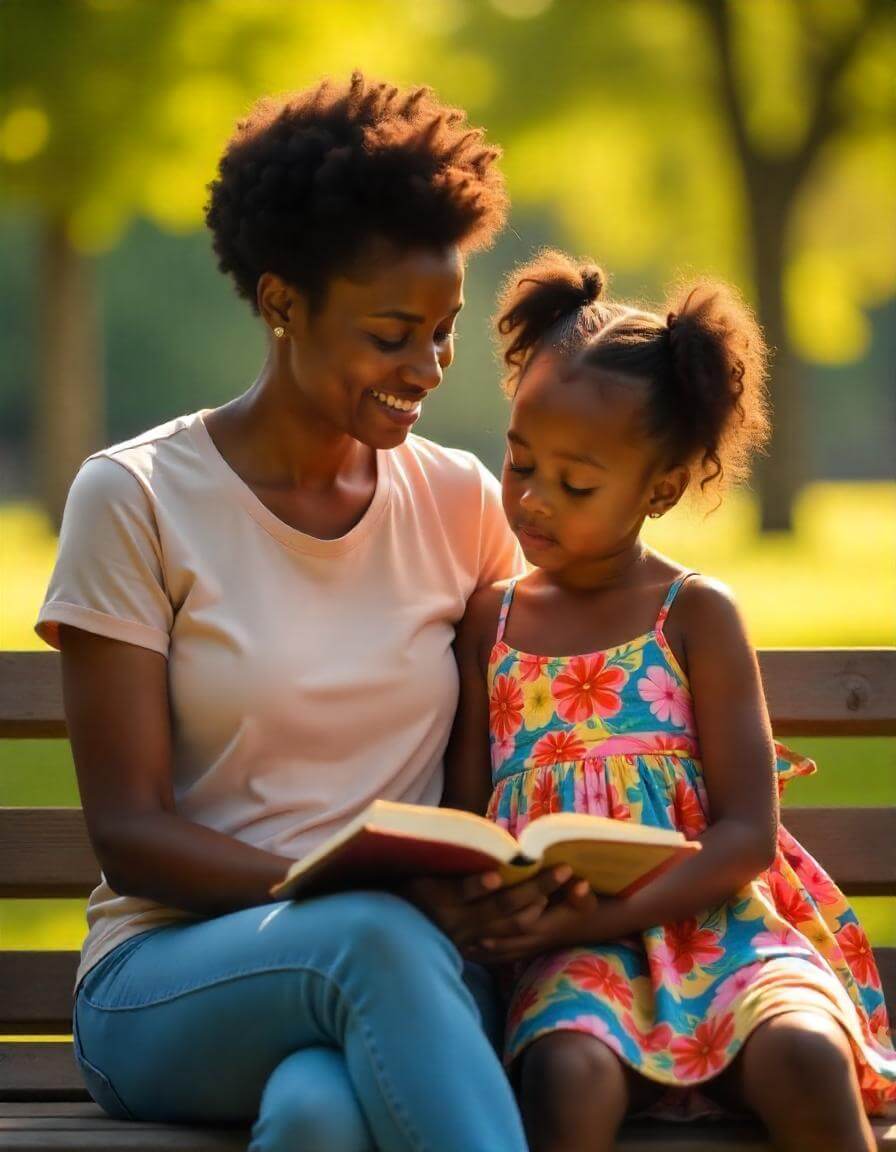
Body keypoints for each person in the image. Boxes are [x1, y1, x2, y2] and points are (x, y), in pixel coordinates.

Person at [34, 73, 554, 1152]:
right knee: (365, 939)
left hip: (405, 973)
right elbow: (131, 838)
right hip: (172, 975)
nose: (428, 368)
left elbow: (539, 707)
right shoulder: (136, 499)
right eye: (390, 333)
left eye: (444, 331)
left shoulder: (457, 501)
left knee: (318, 1118)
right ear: (280, 304)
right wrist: (379, 897)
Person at [443, 250, 896, 1152]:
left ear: (661, 487)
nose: (532, 501)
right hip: (570, 958)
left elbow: (744, 837)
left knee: (801, 1054)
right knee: (567, 1073)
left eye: (575, 485)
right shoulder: (487, 623)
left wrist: (613, 910)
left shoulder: (694, 614)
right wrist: (489, 901)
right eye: (520, 461)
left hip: (723, 932)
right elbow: (466, 814)